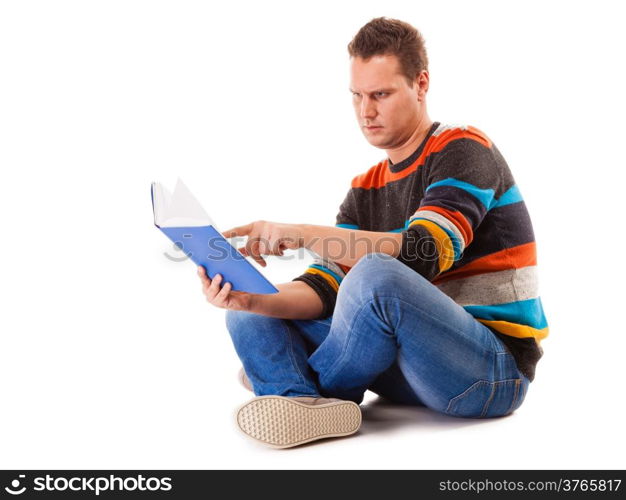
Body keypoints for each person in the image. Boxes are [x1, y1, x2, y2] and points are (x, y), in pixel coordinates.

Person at [197, 17, 549, 449]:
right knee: (252, 313)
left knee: (376, 275)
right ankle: (302, 402)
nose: (366, 111)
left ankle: (289, 380)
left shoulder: (464, 148)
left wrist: (303, 233)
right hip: (405, 370)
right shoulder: (364, 188)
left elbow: (421, 253)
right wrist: (248, 295)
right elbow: (328, 290)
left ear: (421, 84)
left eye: (381, 94)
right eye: (357, 96)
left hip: (489, 372)